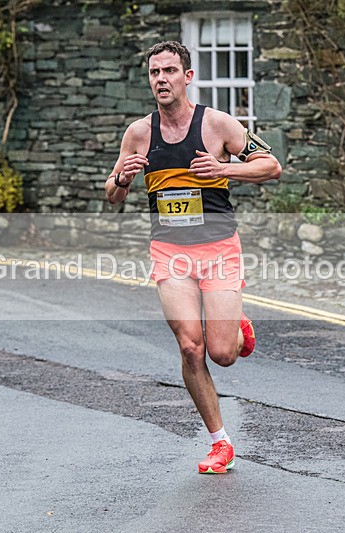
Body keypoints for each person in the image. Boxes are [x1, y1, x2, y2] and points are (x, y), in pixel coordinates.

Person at [105, 41, 281, 474]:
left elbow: (271, 165)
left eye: (169, 71)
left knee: (222, 353)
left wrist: (225, 169)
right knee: (190, 347)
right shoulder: (138, 133)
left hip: (219, 249)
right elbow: (112, 195)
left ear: (187, 77)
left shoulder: (218, 125)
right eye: (153, 73)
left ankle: (238, 325)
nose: (160, 79)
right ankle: (220, 442)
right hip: (170, 252)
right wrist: (122, 180)